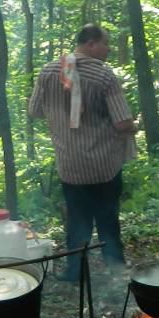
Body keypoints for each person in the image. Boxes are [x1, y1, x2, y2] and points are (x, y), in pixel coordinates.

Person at [29, 23, 139, 280]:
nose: (109, 49)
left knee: (77, 220)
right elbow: (122, 123)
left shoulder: (48, 71)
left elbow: (34, 111)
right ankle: (115, 268)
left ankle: (75, 273)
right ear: (90, 43)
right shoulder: (104, 76)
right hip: (103, 165)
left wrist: (59, 117)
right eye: (105, 43)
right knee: (107, 218)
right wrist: (134, 127)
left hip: (69, 164)